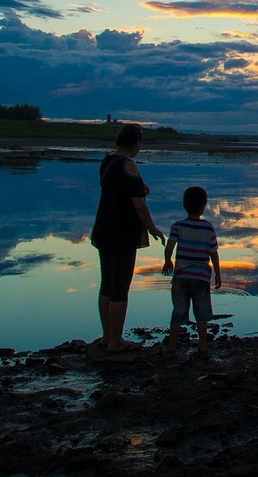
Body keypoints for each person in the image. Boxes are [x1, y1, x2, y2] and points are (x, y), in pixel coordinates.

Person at [90, 123, 165, 353]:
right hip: (121, 233)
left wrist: (141, 186)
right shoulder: (129, 165)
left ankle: (106, 337)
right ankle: (116, 342)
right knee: (121, 287)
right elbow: (139, 206)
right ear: (137, 143)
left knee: (107, 285)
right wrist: (152, 228)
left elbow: (118, 186)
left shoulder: (107, 162)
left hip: (103, 229)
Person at [162, 186, 222, 359]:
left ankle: (172, 347)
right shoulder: (208, 228)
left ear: (184, 205)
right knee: (201, 313)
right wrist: (217, 274)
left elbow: (170, 246)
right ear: (204, 206)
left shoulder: (178, 226)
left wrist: (168, 261)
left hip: (181, 276)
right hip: (201, 278)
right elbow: (213, 253)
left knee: (178, 311)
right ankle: (202, 347)